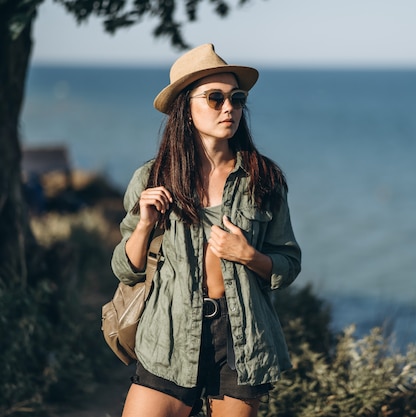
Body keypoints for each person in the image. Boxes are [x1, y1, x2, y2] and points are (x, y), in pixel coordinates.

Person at [111, 43, 302, 417]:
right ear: (186, 108)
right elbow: (125, 268)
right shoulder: (151, 178)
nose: (229, 107)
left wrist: (249, 256)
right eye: (215, 98)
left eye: (237, 97)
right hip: (169, 330)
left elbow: (288, 263)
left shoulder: (263, 180)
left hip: (241, 337)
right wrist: (145, 224)